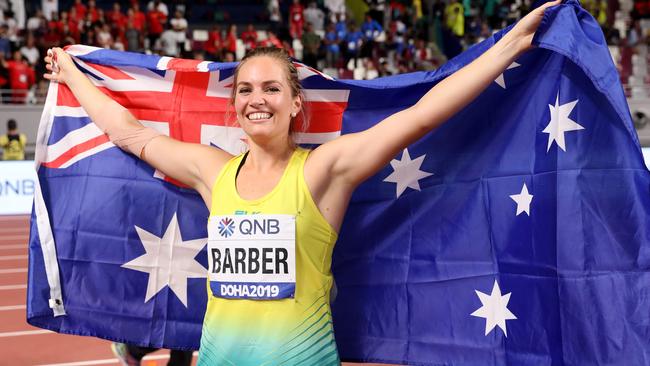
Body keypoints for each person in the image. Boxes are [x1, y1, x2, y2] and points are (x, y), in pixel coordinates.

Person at [44, 1, 560, 363]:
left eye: (271, 88)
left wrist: (511, 42)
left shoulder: (322, 170)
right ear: (234, 107)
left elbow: (422, 116)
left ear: (296, 105)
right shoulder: (212, 171)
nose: (256, 99)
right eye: (245, 90)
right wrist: (71, 74)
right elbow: (129, 134)